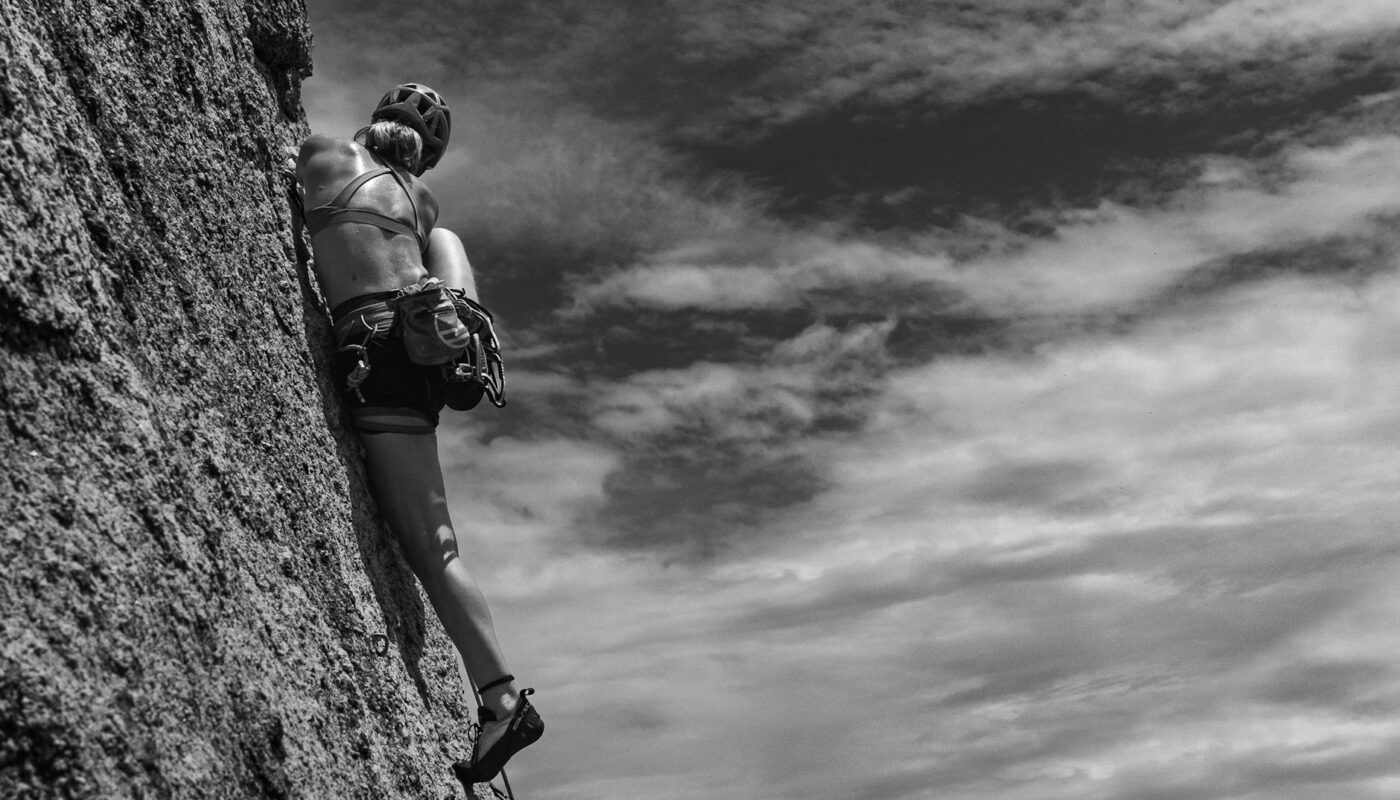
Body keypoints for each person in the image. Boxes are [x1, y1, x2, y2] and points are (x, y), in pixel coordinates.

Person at [293, 83, 542, 789]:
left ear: (374, 122)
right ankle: (463, 331)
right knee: (442, 546)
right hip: (418, 354)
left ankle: (500, 701)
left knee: (427, 548)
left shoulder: (320, 154)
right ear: (427, 159)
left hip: (371, 341)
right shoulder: (424, 206)